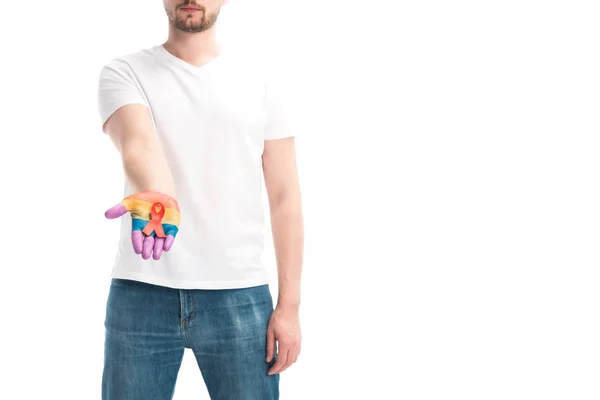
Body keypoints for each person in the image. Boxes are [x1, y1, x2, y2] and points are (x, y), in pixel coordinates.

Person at [96, 1, 304, 399]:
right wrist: (159, 194)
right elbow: (137, 144)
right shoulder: (124, 72)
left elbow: (285, 198)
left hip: (240, 294)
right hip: (142, 291)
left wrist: (289, 307)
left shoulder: (262, 80)